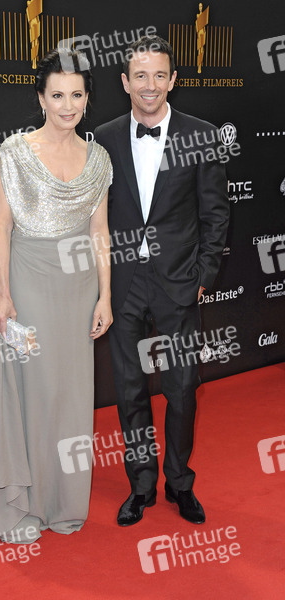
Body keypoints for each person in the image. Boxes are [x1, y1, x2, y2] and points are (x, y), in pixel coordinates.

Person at [0, 49, 113, 544]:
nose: (67, 105)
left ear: (87, 99)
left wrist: (105, 296)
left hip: (78, 289)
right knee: (32, 390)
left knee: (70, 394)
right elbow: (1, 229)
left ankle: (64, 502)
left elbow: (99, 233)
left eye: (76, 95)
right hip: (29, 282)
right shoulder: (14, 153)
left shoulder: (98, 159)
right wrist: (3, 296)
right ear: (41, 98)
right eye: (57, 95)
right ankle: (26, 505)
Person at [94, 35, 229, 526]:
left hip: (178, 282)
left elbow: (216, 213)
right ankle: (141, 485)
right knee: (130, 390)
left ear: (172, 80)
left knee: (182, 388)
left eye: (158, 75)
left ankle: (179, 481)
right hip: (125, 284)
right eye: (140, 76)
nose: (149, 85)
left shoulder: (202, 135)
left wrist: (204, 275)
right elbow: (96, 215)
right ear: (125, 82)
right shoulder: (104, 138)